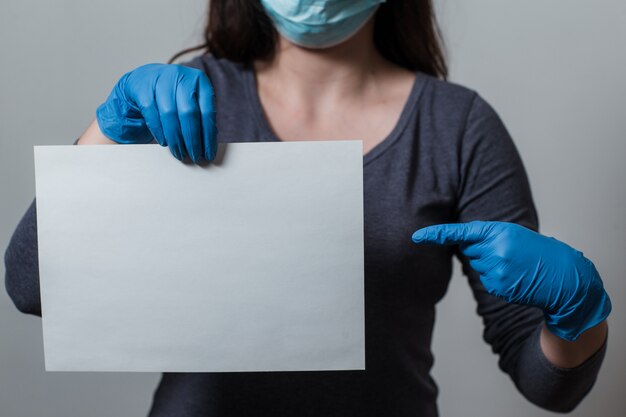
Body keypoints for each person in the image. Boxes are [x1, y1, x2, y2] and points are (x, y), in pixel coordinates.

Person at [4, 1, 612, 416]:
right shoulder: (182, 104)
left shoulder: (458, 127)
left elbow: (547, 386)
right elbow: (32, 288)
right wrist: (108, 130)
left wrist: (577, 311)